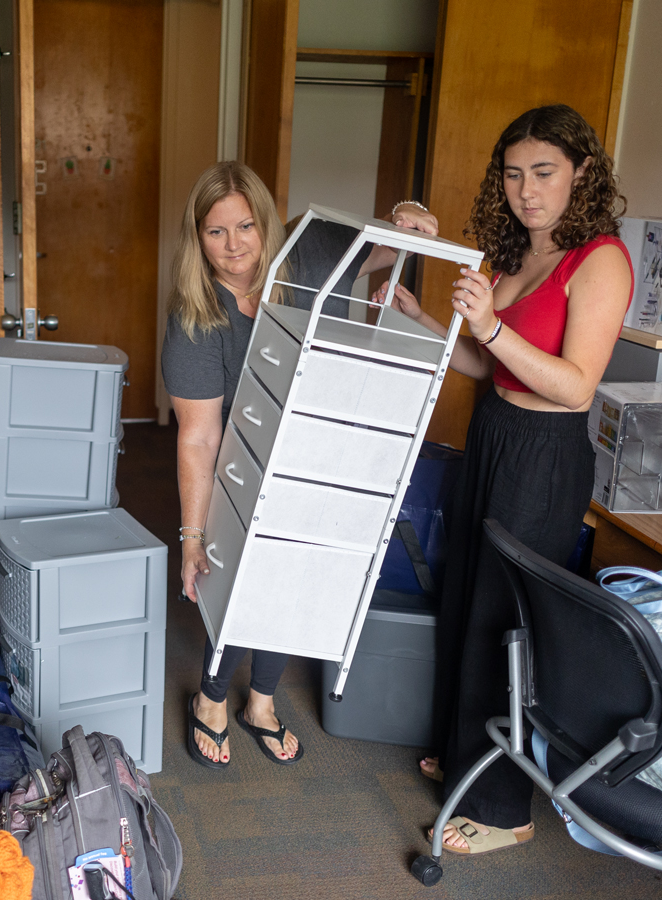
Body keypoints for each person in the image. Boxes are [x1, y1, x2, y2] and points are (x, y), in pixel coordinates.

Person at [373, 105, 632, 853]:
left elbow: (577, 386)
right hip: (493, 432)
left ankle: (504, 809)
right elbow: (487, 365)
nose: (527, 191)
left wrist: (489, 326)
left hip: (546, 451)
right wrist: (428, 319)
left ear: (581, 173)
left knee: (505, 620)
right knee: (464, 598)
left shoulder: (601, 260)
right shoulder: (516, 255)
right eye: (514, 175)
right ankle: (467, 752)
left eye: (544, 173)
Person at [161, 160, 438, 768]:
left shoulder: (310, 254)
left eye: (245, 228)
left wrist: (406, 215)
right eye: (215, 233)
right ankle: (210, 699)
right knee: (247, 574)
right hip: (244, 456)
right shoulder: (195, 318)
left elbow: (390, 244)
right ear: (198, 238)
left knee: (302, 573)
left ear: (265, 224)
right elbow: (199, 438)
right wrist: (193, 536)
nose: (233, 247)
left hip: (321, 443)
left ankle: (260, 701)